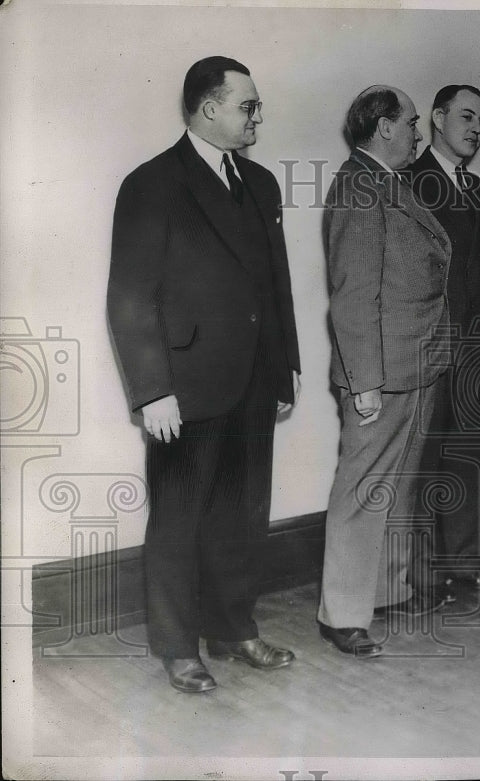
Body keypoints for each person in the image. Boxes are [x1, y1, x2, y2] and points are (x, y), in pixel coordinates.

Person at [107, 56, 301, 693]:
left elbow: (275, 285)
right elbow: (131, 297)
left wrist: (286, 365)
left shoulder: (262, 184)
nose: (257, 117)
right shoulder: (151, 184)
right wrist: (152, 389)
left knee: (244, 513)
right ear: (208, 107)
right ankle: (178, 646)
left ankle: (234, 628)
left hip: (252, 380)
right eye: (248, 106)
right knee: (180, 516)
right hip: (184, 388)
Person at [318, 85, 453, 659]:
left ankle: (384, 591)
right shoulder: (357, 187)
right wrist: (365, 381)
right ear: (384, 128)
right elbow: (351, 298)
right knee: (363, 488)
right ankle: (343, 614)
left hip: (415, 363)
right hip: (381, 369)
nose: (420, 132)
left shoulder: (388, 183)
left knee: (395, 488)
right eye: (414, 122)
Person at [407, 85, 480, 592]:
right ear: (437, 119)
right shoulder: (410, 181)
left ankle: (464, 561)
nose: (476, 128)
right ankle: (421, 576)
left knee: (468, 452)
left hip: (475, 340)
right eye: (467, 117)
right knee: (424, 458)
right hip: (430, 343)